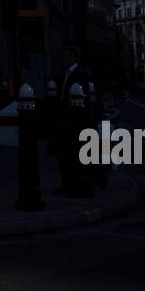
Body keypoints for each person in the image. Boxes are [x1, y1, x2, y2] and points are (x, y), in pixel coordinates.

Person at [53, 46, 94, 197]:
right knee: (64, 155)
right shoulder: (64, 74)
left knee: (73, 155)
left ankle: (77, 185)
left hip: (75, 122)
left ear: (73, 57)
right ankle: (67, 185)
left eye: (66, 55)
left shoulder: (80, 74)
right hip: (64, 120)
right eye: (63, 55)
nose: (63, 58)